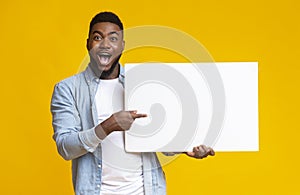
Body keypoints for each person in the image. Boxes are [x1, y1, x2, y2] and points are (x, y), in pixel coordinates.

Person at [51, 11, 215, 195]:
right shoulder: (67, 89)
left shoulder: (141, 83)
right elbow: (65, 147)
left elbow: (157, 133)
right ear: (88, 43)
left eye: (113, 39)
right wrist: (107, 126)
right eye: (98, 37)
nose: (105, 44)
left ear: (122, 46)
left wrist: (187, 147)